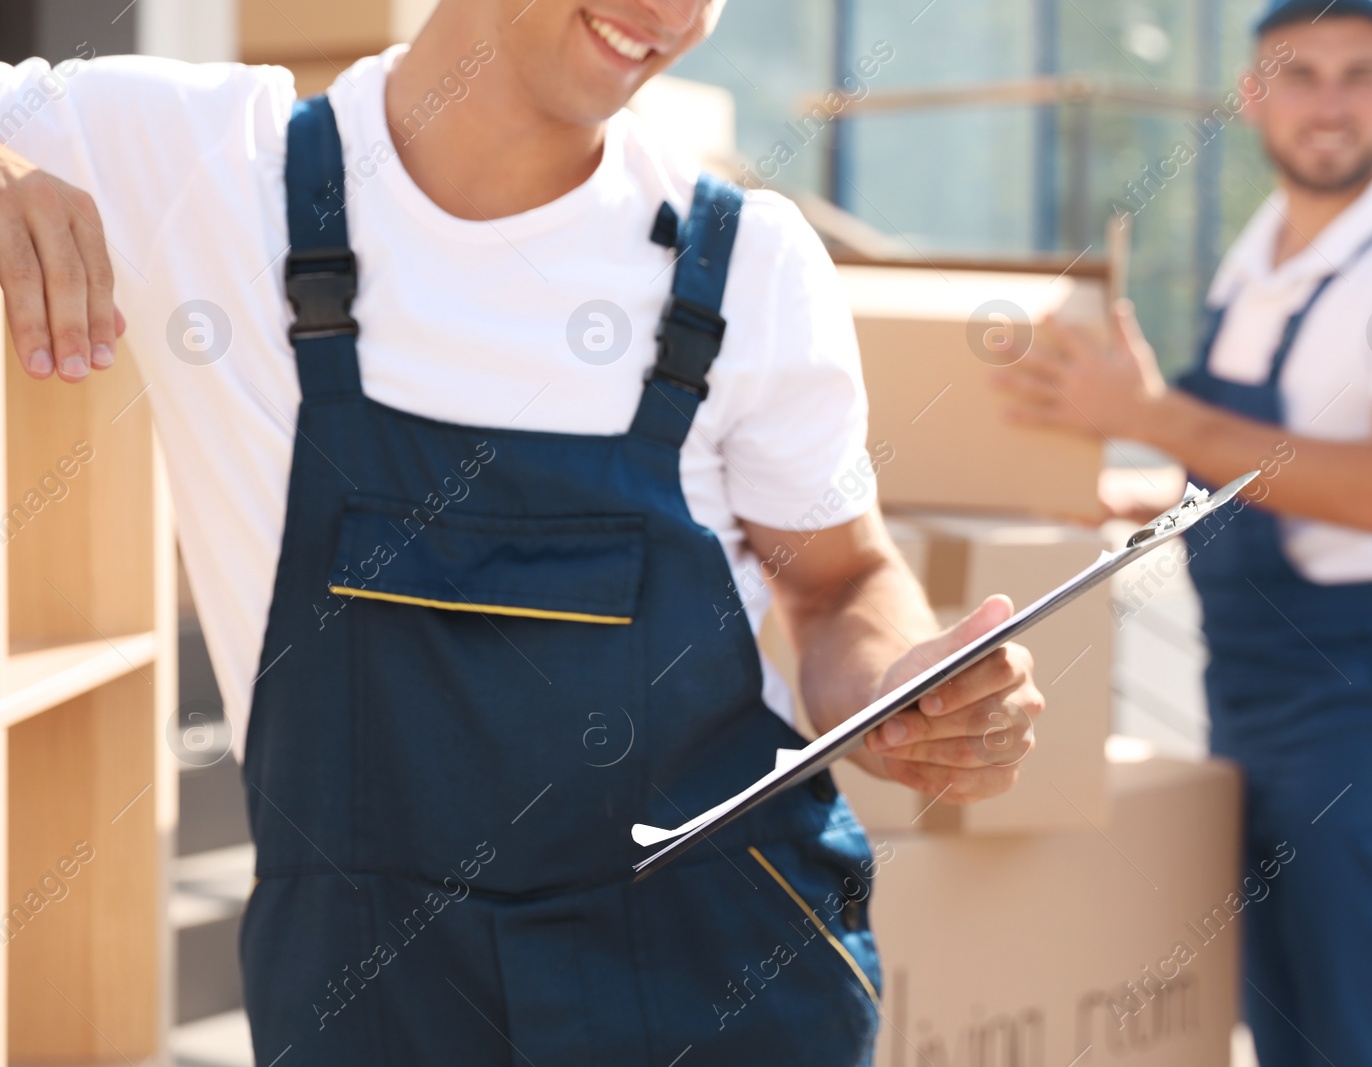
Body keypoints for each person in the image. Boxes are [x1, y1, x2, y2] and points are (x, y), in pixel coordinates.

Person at [0, 2, 1044, 1063]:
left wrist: (904, 692)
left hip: (719, 989)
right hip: (371, 1009)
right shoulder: (204, 167)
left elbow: (838, 584)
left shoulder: (744, 267)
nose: (676, 12)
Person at [994, 1, 1372, 1064]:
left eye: (1359, 74)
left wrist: (1148, 414)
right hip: (1246, 700)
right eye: (1298, 73)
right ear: (1252, 96)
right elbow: (1252, 472)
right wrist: (1129, 496)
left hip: (1367, 707)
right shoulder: (1261, 253)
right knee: (1286, 1040)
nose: (1327, 104)